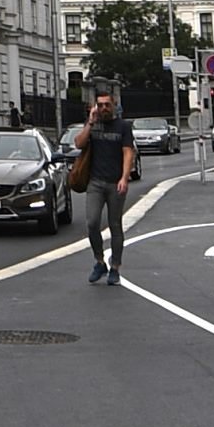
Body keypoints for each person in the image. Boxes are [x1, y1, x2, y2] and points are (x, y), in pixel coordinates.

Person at [77, 93, 137, 284]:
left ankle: (115, 267)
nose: (103, 108)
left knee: (115, 225)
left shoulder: (123, 127)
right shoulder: (93, 125)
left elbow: (128, 152)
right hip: (95, 182)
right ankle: (99, 261)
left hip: (115, 183)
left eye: (107, 105)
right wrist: (90, 122)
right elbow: (79, 143)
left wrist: (124, 178)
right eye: (100, 105)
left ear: (114, 106)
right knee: (92, 223)